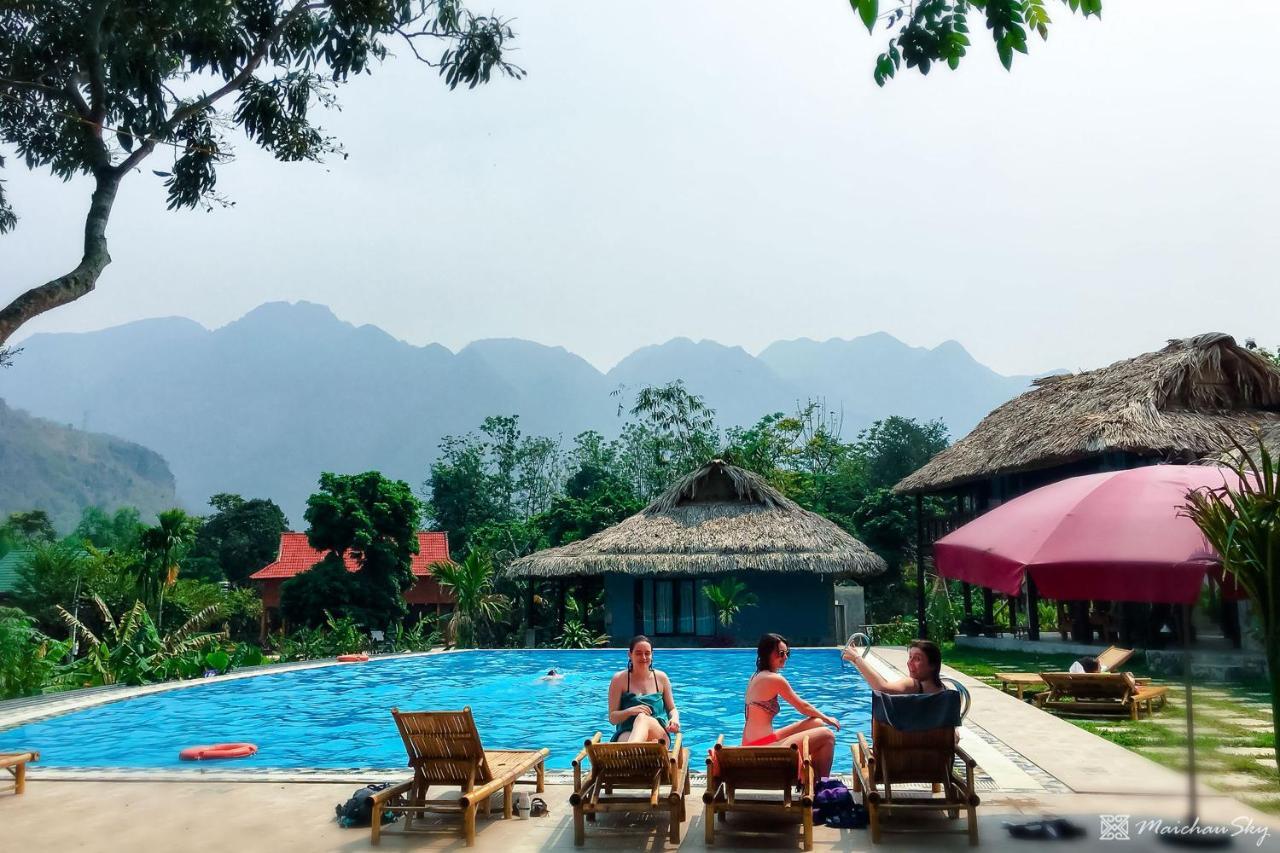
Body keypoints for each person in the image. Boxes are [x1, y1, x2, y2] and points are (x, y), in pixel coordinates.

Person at [742, 633, 840, 778]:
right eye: (780, 653)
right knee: (827, 735)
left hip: (757, 741)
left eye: (787, 653)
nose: (785, 657)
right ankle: (823, 783)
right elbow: (802, 707)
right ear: (767, 654)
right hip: (763, 749)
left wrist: (822, 719)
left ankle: (812, 775)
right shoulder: (774, 679)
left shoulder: (756, 676)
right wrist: (827, 718)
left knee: (816, 723)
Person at [607, 635, 680, 745]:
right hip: (627, 731)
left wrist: (674, 719)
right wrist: (630, 711)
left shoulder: (661, 678)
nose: (644, 657)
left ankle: (631, 750)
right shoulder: (619, 679)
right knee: (625, 740)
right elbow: (613, 718)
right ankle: (633, 751)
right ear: (630, 655)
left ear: (652, 655)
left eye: (647, 653)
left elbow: (672, 709)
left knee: (642, 719)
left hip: (657, 733)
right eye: (638, 653)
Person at [842, 638, 947, 695]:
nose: (909, 662)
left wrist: (857, 659)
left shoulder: (913, 685)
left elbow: (881, 688)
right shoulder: (947, 693)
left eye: (917, 659)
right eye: (910, 657)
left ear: (933, 665)